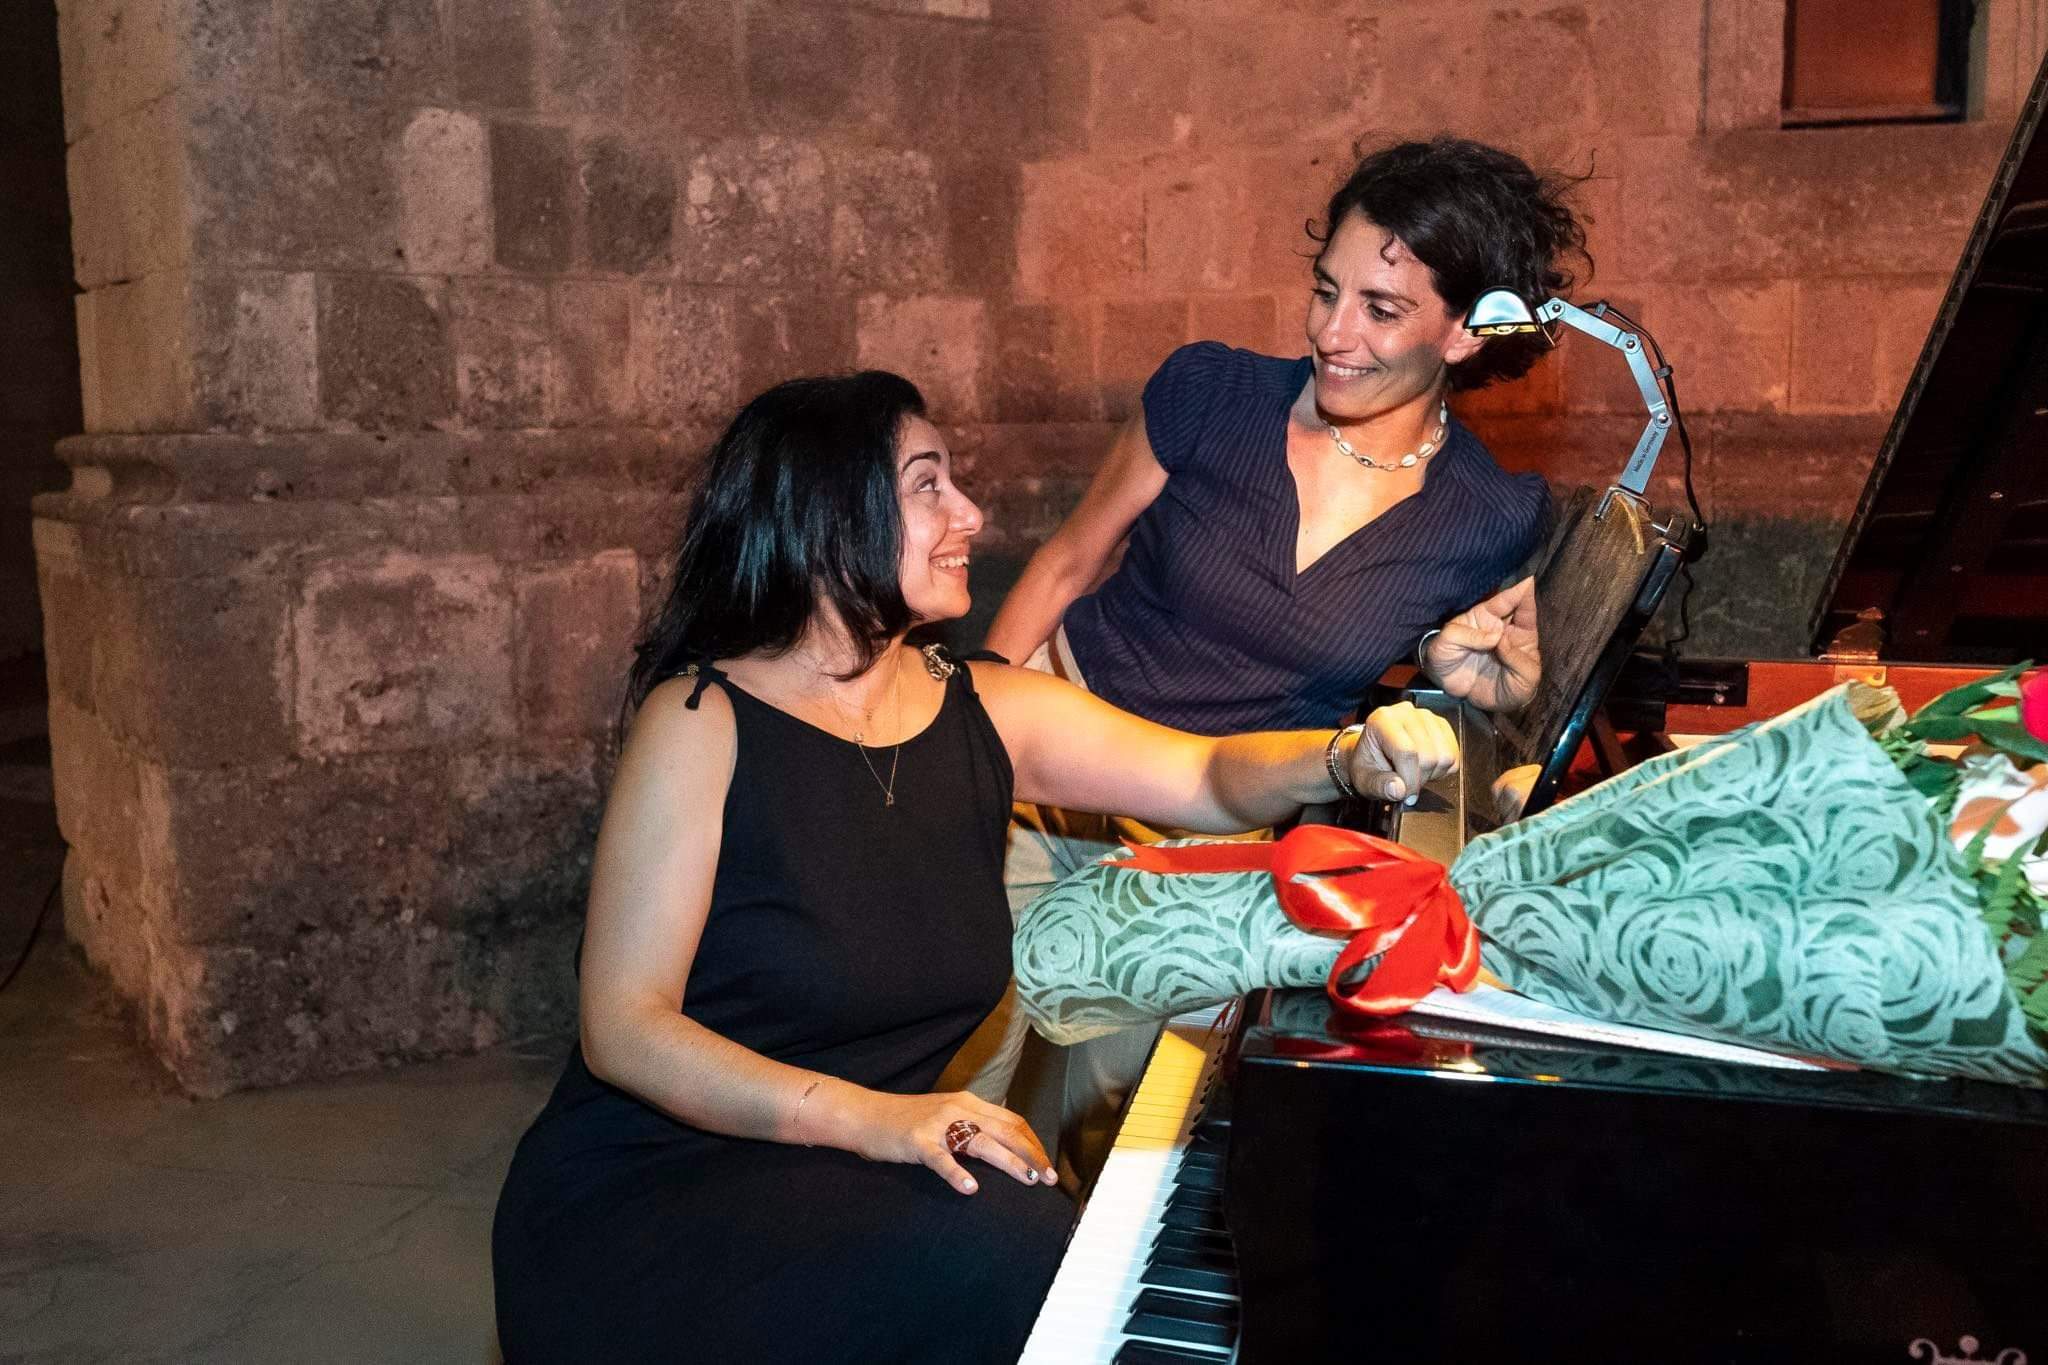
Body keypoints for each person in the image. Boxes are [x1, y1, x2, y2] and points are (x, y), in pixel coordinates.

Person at [490, 371, 1458, 1365]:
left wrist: (1343, 754)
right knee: (1011, 1250)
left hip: (847, 1168)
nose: (970, 514)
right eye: (928, 485)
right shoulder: (701, 722)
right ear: (830, 517)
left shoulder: (984, 706)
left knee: (1026, 1242)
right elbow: (624, 1028)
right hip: (654, 1194)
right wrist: (874, 1120)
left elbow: (1206, 774)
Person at [961, 135, 1582, 1173]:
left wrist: (1467, 686)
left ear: (1467, 332)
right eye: (1325, 291)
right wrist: (964, 747)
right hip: (1039, 785)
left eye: (1380, 309)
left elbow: (1437, 681)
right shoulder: (1210, 393)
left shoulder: (1490, 515)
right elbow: (1068, 562)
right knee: (953, 1092)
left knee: (1093, 1143)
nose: (1333, 334)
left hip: (1201, 848)